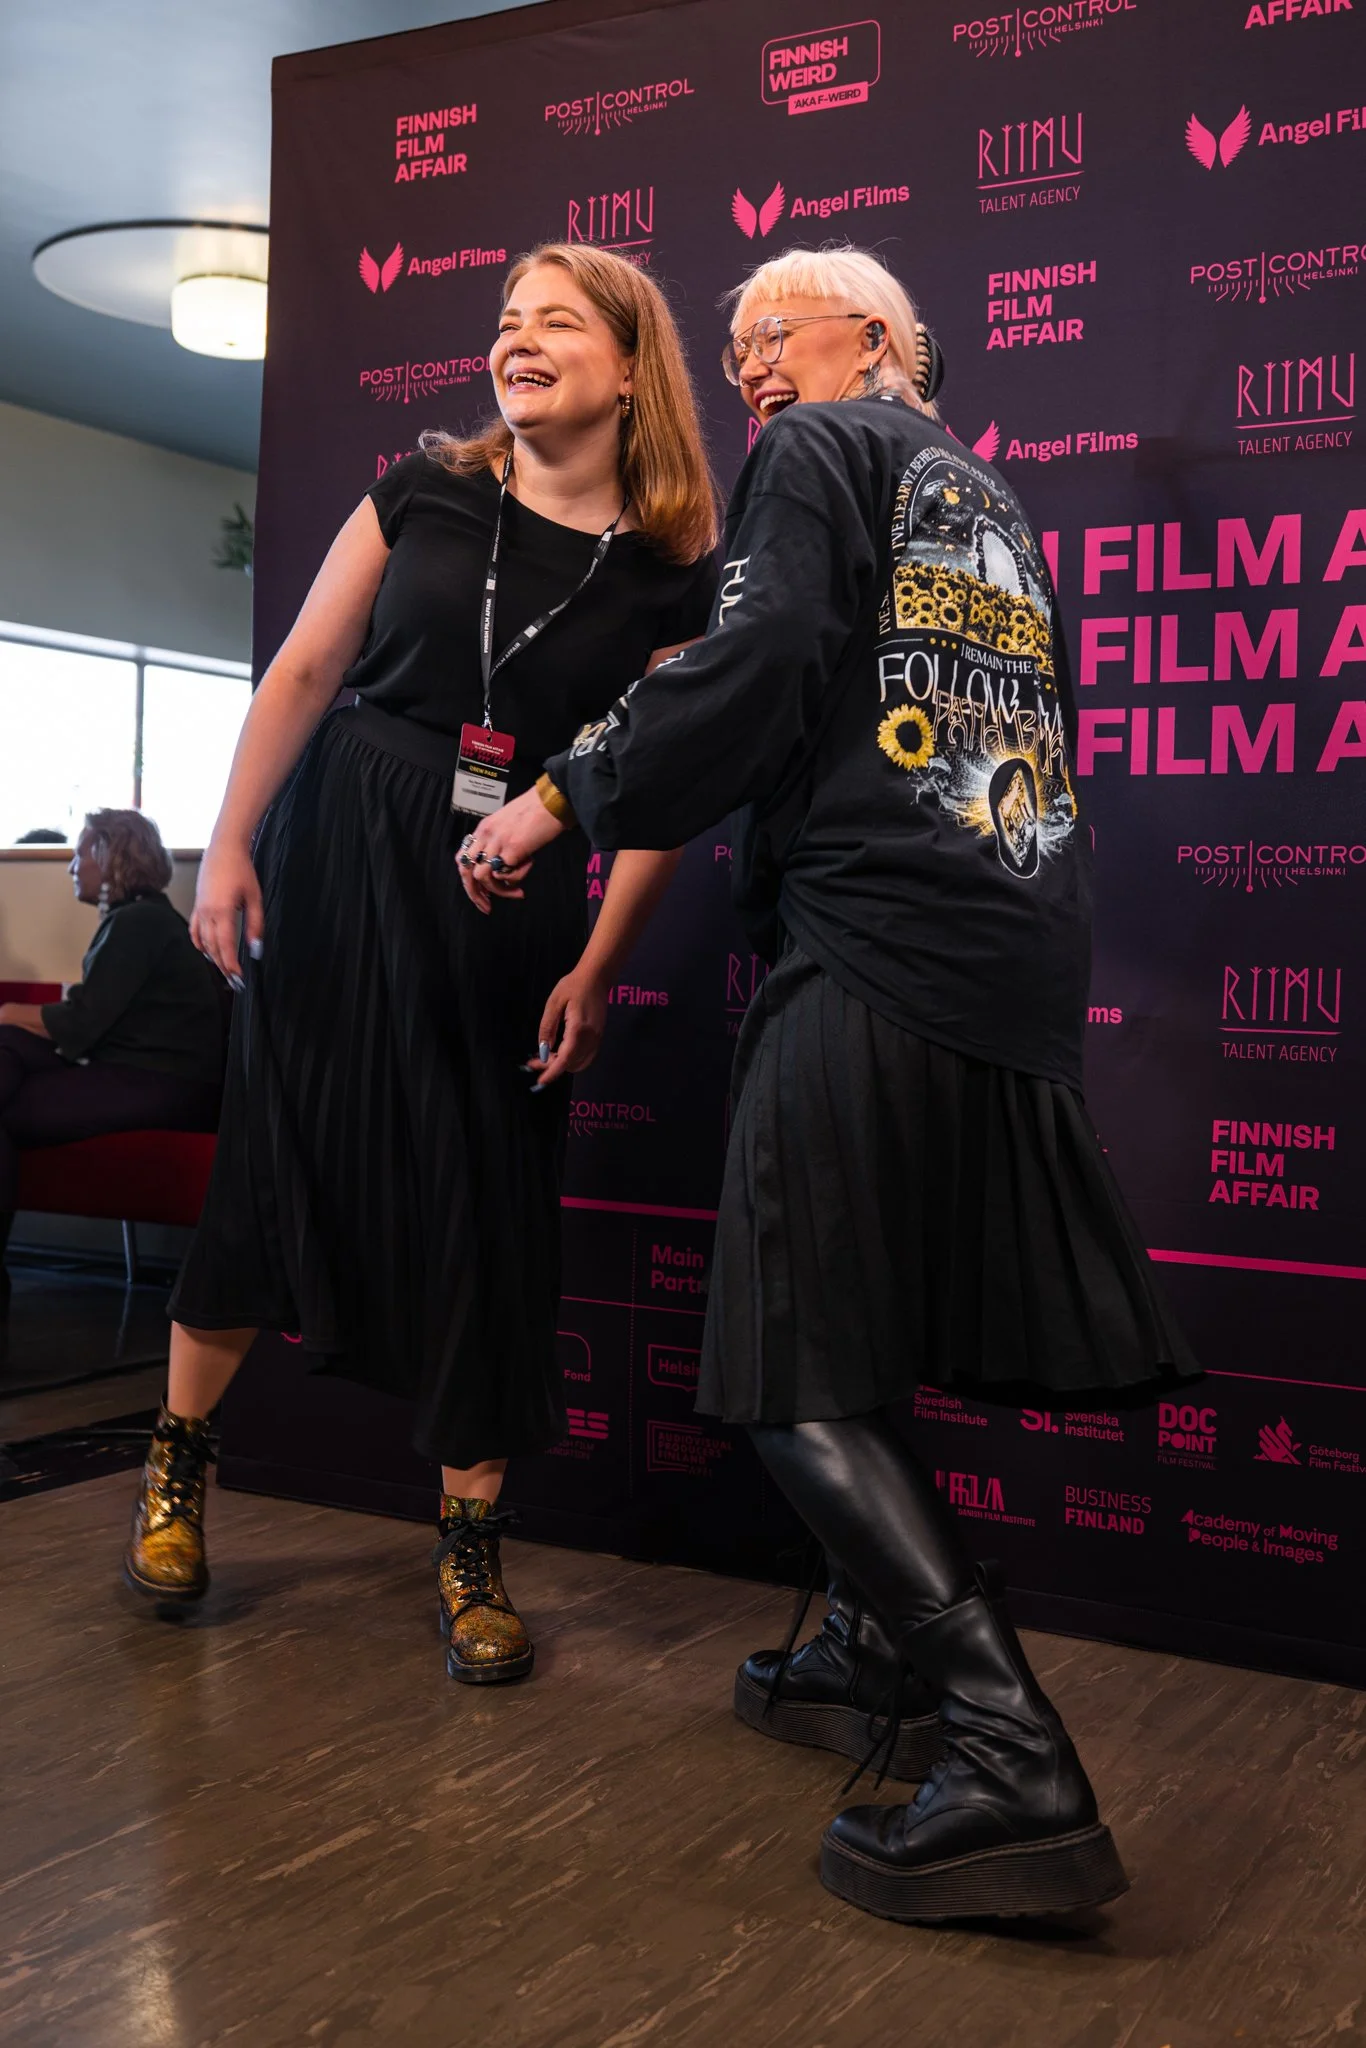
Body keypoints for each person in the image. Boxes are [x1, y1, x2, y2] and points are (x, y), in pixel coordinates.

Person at [457, 244, 1202, 1922]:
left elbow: (761, 657)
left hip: (874, 943)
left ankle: (1017, 1766)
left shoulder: (824, 450)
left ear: (873, 336)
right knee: (858, 1317)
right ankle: (877, 1642)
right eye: (726, 354)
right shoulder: (991, 503)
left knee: (791, 1353)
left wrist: (562, 796)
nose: (747, 374)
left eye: (768, 337)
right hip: (1010, 958)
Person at [124, 244, 719, 1690]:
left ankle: (466, 1555)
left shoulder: (668, 575)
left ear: (629, 366)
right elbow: (306, 672)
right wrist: (231, 838)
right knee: (277, 1151)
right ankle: (177, 1470)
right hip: (343, 847)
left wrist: (593, 955)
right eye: (505, 321)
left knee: (490, 1206)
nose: (516, 341)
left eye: (555, 323)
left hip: (507, 895)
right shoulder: (421, 493)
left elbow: (659, 788)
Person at [0, 811, 224, 1305]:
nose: (72, 866)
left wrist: (10, 1010)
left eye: (81, 852)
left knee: (7, 1099)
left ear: (110, 855)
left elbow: (82, 1023)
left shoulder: (139, 923)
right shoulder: (143, 918)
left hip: (163, 1085)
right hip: (145, 1076)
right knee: (11, 1049)